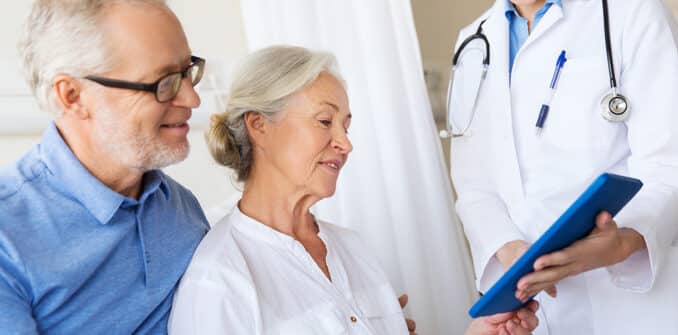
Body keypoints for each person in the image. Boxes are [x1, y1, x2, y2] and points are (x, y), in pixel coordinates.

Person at [168, 46, 539, 335]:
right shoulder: (220, 278)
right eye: (325, 121)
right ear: (259, 126)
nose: (345, 142)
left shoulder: (353, 249)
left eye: (346, 125)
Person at [448, 0, 678, 334]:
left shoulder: (633, 12)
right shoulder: (473, 41)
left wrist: (625, 240)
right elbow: (473, 184)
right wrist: (508, 249)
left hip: (632, 303)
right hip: (533, 306)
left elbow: (670, 166)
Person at [0, 1, 209, 333]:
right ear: (72, 95)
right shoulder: (7, 238)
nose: (192, 99)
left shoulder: (181, 208)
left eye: (187, 71)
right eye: (164, 82)